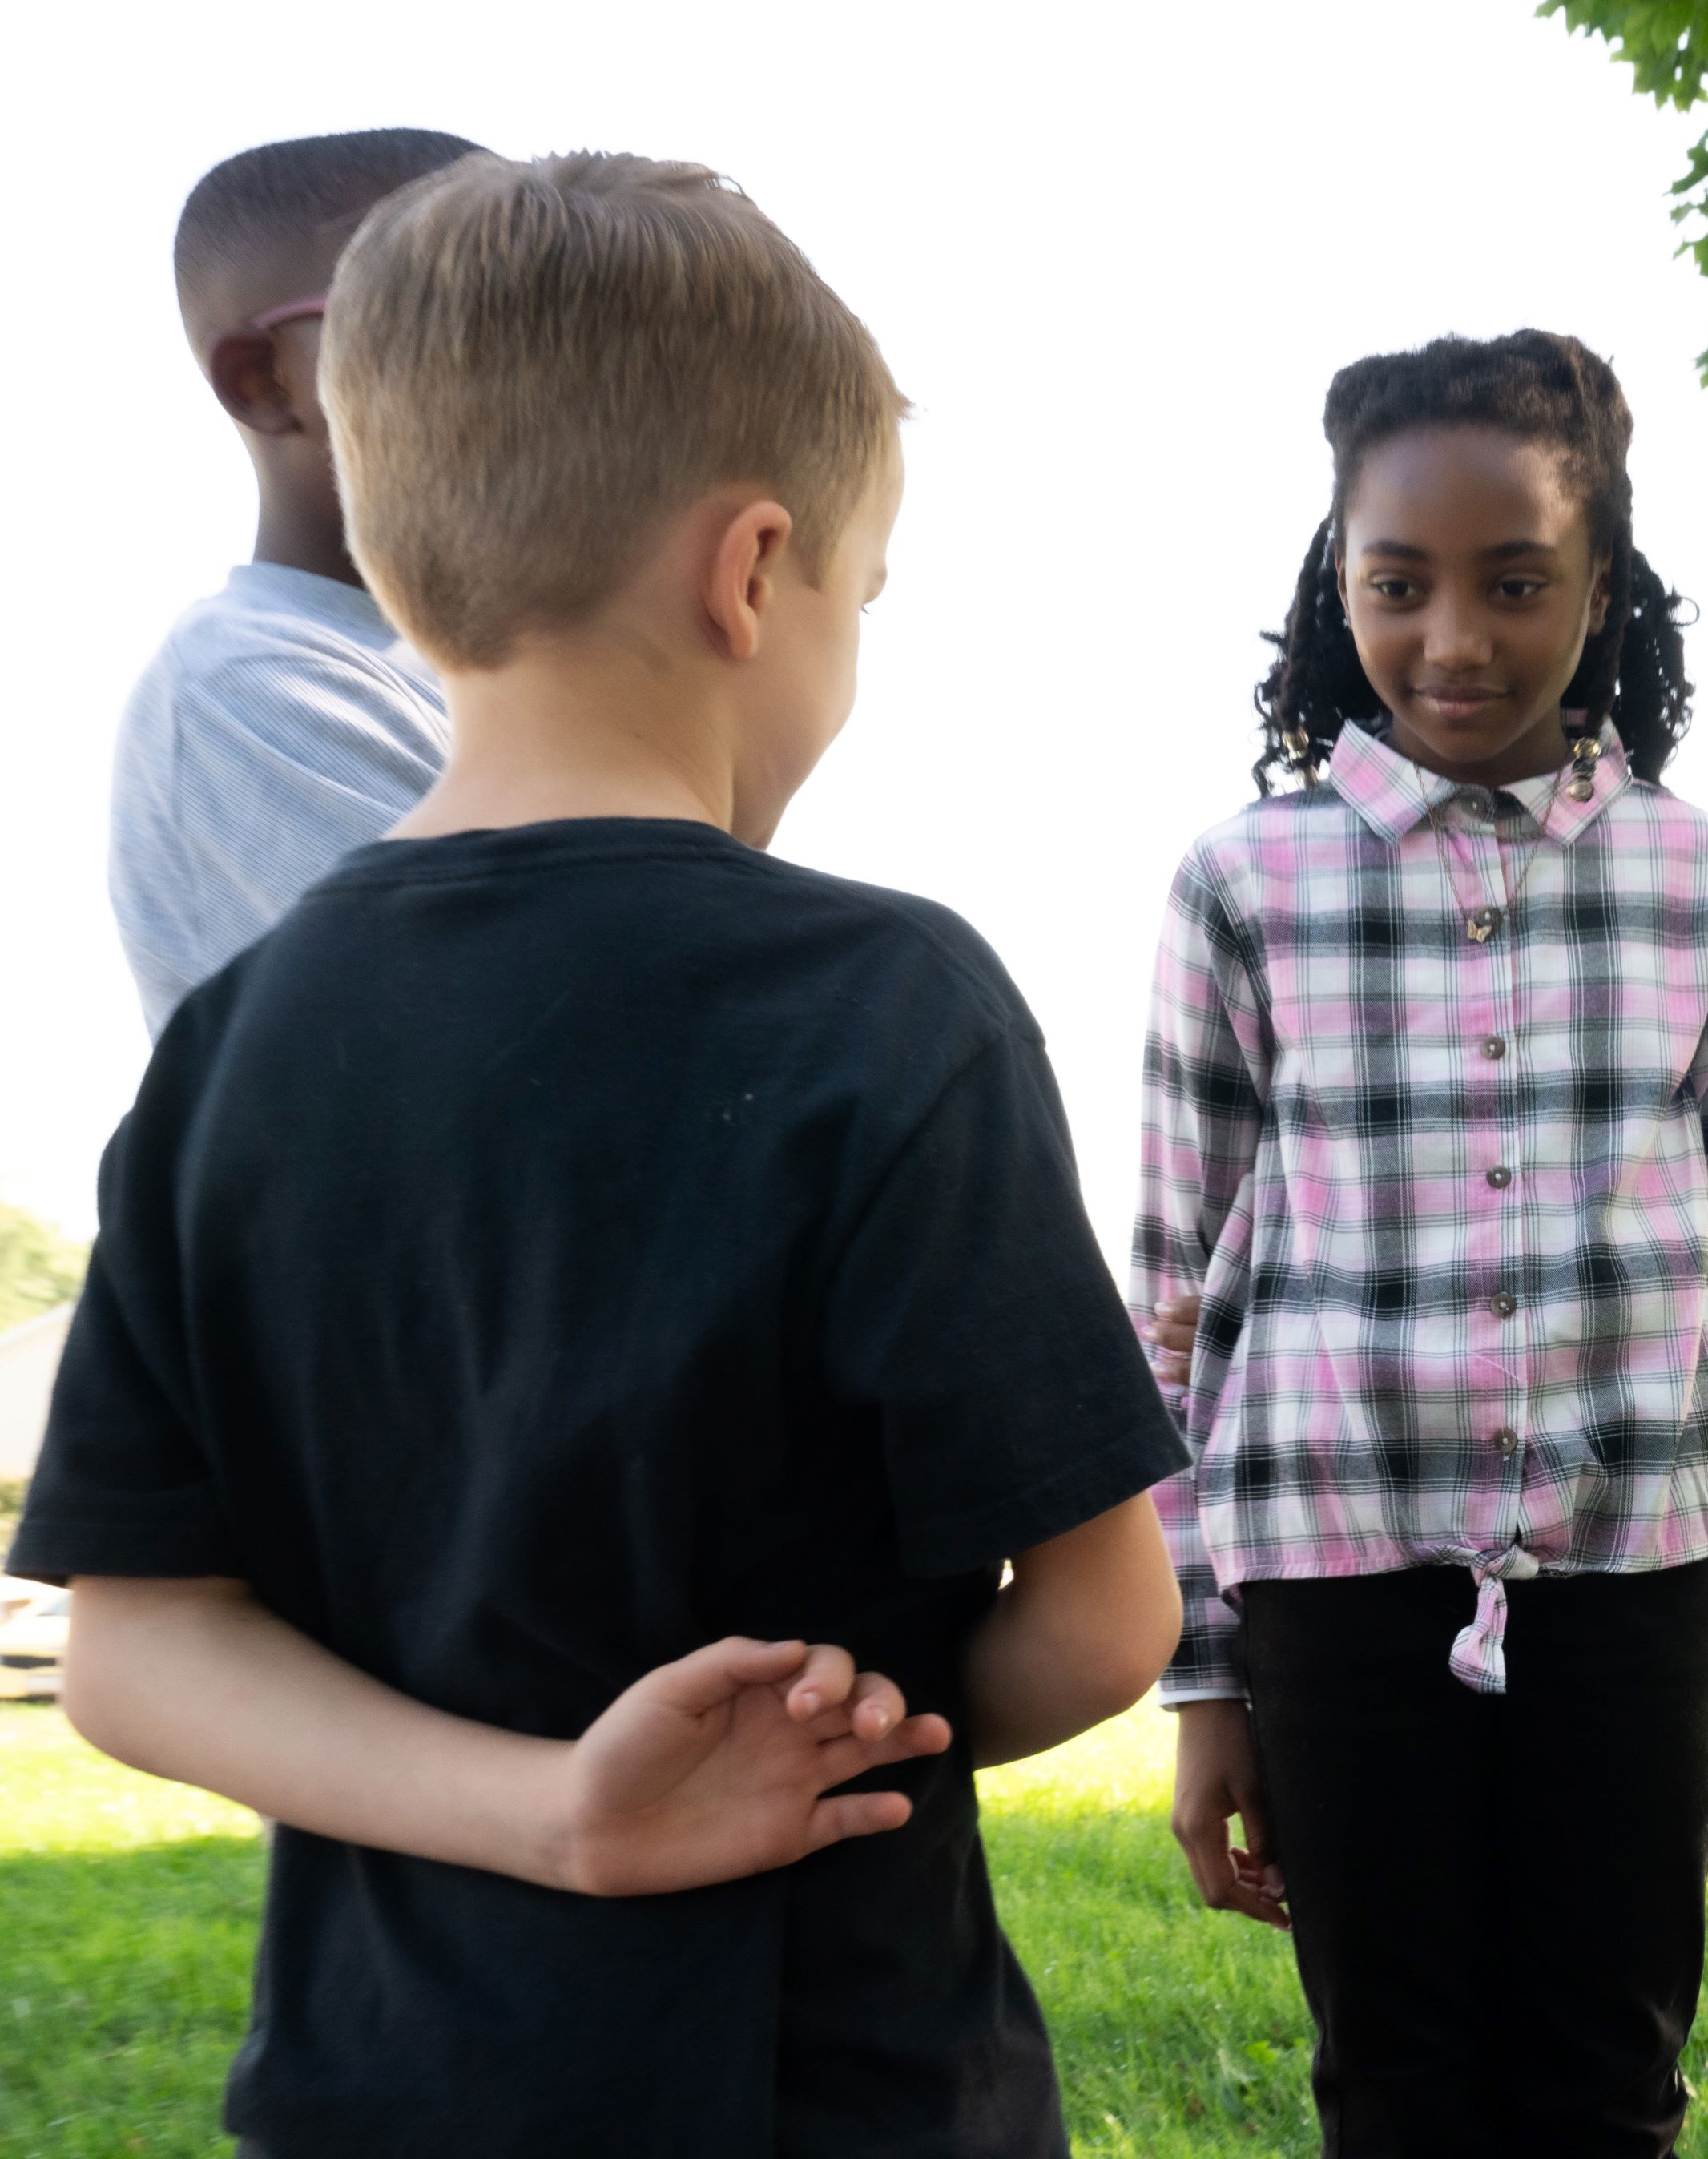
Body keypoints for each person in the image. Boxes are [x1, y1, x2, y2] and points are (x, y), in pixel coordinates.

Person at [9, 152, 1188, 2159]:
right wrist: (822, 1747)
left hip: (380, 2090)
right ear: (751, 573)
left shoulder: (230, 1044)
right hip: (832, 2087)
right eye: (857, 594)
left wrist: (560, 1815)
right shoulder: (888, 1003)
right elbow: (1102, 1616)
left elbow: (134, 1649)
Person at [1134, 329, 1708, 2157]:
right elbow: (1177, 1312)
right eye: (1397, 584)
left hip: (1633, 1578)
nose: (1453, 639)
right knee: (1401, 2083)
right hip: (1337, 1595)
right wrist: (1208, 1679)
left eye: (1516, 583)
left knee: (1606, 2073)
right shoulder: (1241, 884)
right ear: (1334, 584)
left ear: (1601, 589)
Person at [112, 128, 486, 1036]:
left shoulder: (494, 679)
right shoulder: (254, 685)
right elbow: (542, 1031)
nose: (542, 368)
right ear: (263, 383)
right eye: (463, 313)